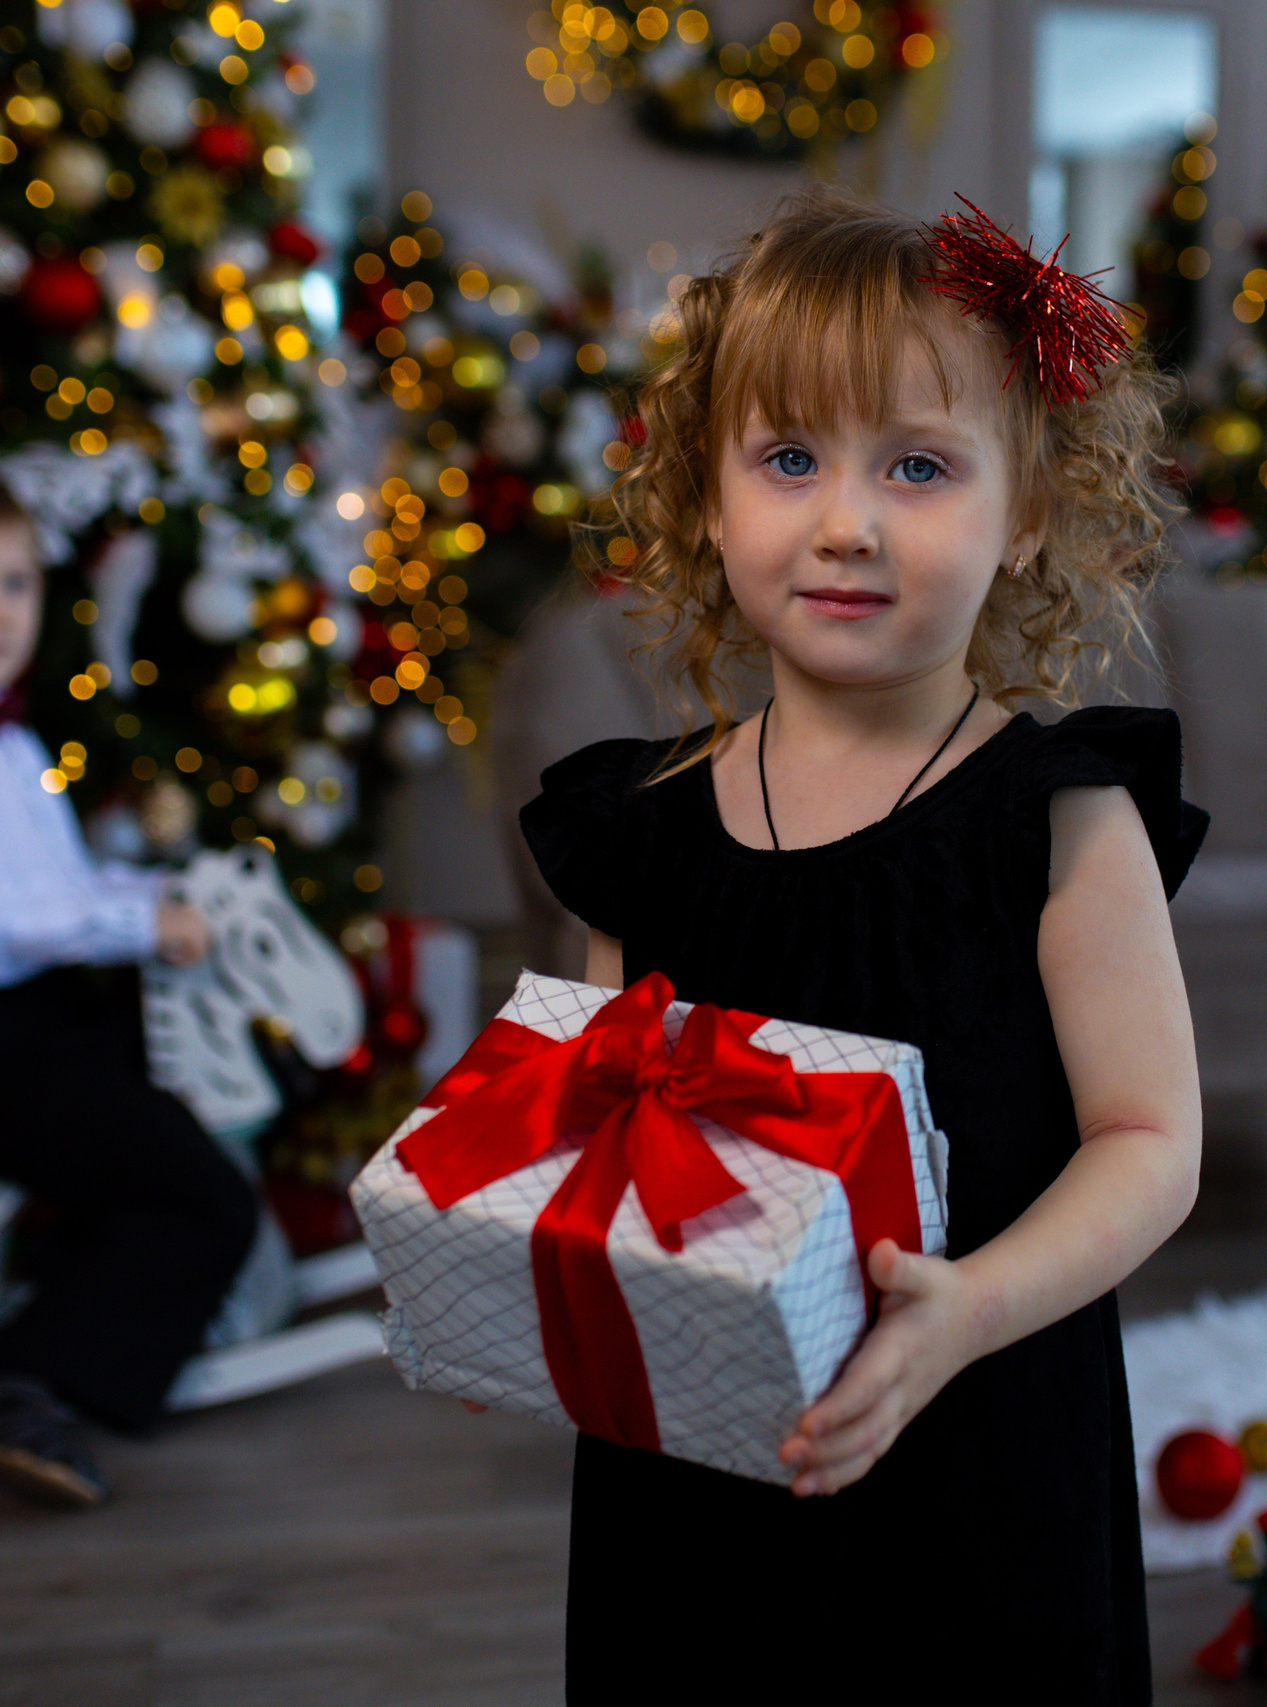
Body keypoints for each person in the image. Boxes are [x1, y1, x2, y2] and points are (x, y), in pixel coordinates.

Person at [519, 188, 1207, 1703]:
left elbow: (1153, 1138)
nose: (847, 519)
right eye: (788, 457)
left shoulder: (1059, 820)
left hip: (978, 1440)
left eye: (919, 465)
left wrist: (971, 1305)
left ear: (1027, 509)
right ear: (706, 491)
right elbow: (585, 1145)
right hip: (694, 1467)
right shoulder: (634, 832)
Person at [0, 464, 254, 1509]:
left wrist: (150, 891)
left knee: (184, 1098)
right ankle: (14, 1384)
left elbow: (52, 886)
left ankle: (83, 1302)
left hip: (39, 1021)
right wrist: (126, 923)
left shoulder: (3, 737)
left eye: (14, 584)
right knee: (196, 1192)